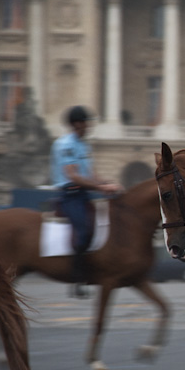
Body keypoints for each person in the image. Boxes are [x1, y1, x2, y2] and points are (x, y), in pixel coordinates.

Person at [50, 106, 122, 297]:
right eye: (85, 122)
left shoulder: (84, 145)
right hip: (71, 194)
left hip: (84, 194)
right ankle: (77, 278)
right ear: (76, 124)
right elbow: (73, 175)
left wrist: (108, 183)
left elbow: (91, 174)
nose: (88, 126)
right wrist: (100, 188)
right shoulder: (65, 144)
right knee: (83, 231)